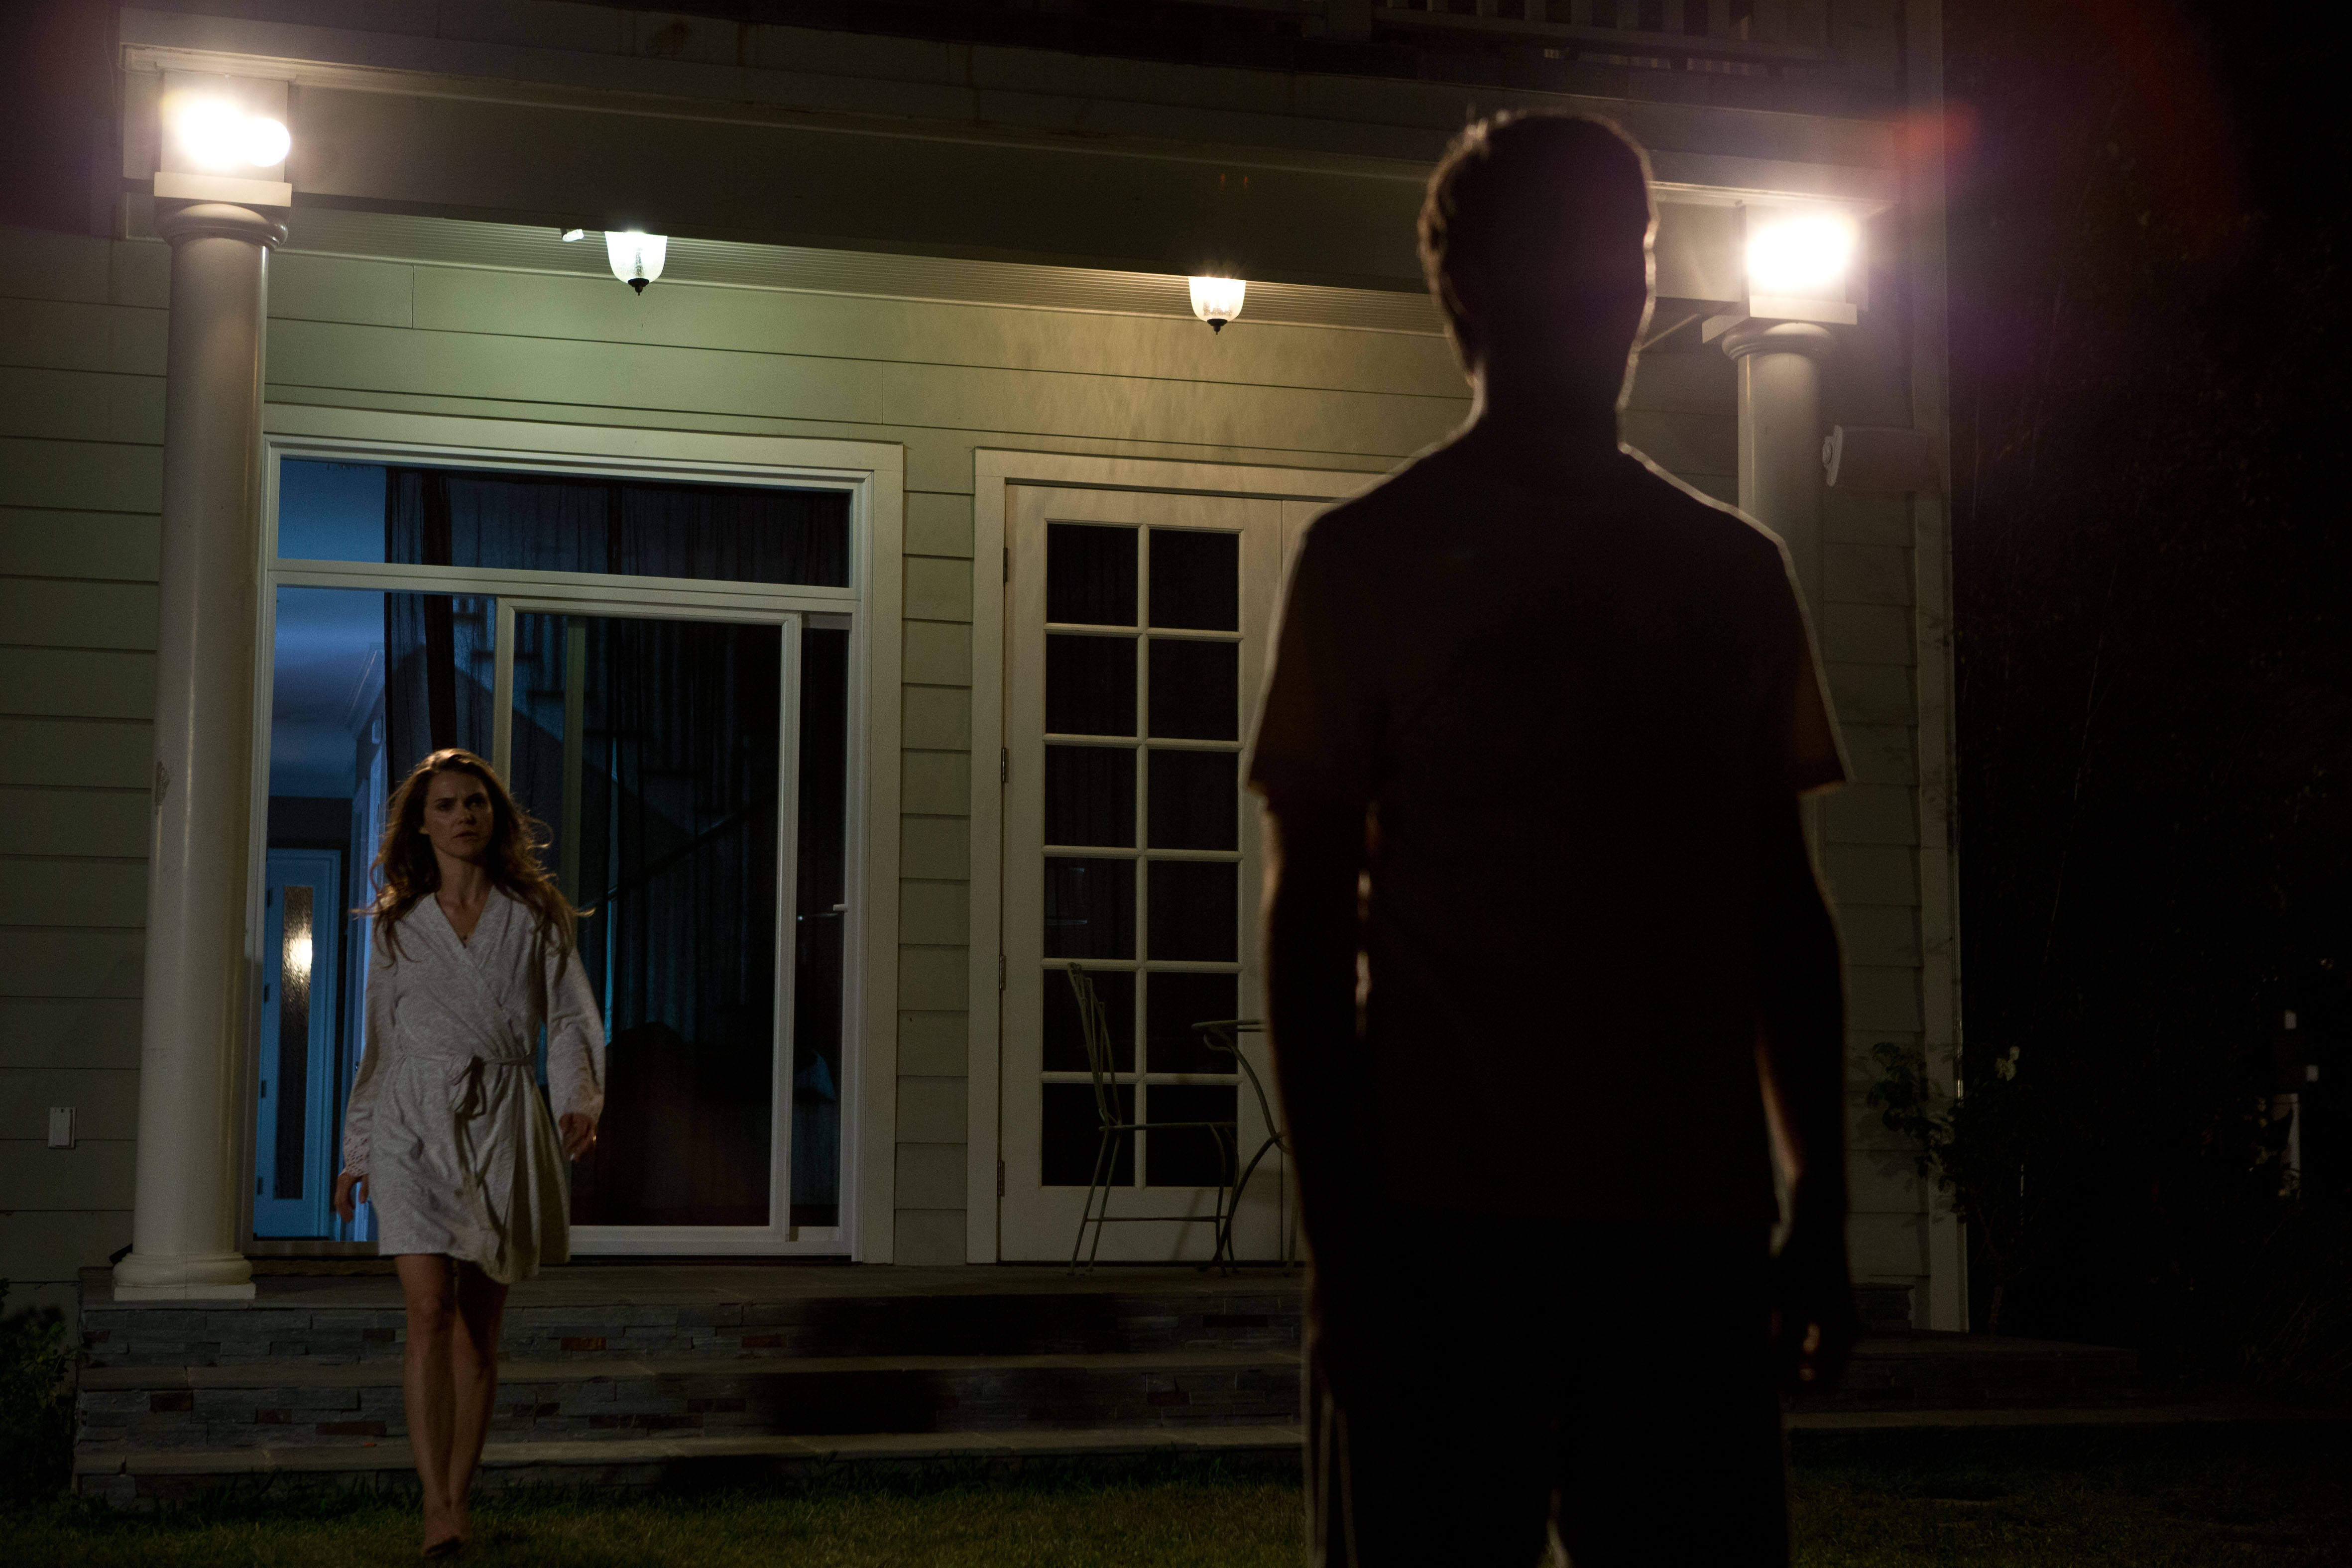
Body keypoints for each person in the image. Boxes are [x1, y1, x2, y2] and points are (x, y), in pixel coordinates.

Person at [1249, 112, 1858, 1567]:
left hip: (1680, 1240)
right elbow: (1307, 919)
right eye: (1566, 249)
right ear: (1467, 286)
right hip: (1442, 1233)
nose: (1612, 284)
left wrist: (1824, 1204)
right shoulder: (1367, 566)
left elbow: (1782, 908)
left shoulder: (1732, 578)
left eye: (1626, 249)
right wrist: (1343, 1248)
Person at [333, 749, 605, 1558]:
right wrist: (358, 1150)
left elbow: (568, 1016)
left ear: (496, 816)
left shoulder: (533, 914)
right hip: (412, 1120)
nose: (463, 816)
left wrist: (578, 1098)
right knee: (428, 1310)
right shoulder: (398, 926)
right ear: (422, 823)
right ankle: (434, 1504)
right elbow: (380, 1045)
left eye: (476, 802)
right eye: (447, 805)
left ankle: (458, 1492)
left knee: (478, 1334)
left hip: (501, 1119)